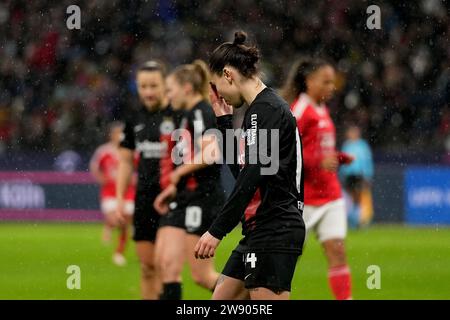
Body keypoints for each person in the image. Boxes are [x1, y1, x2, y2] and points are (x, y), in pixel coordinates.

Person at [194, 31, 305, 300]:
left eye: (217, 85)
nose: (218, 94)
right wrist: (223, 121)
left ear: (228, 75)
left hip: (275, 229)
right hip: (259, 229)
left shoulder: (266, 110)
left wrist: (216, 231)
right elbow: (243, 173)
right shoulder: (259, 111)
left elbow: (248, 179)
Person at [282, 57, 354, 300]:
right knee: (287, 256)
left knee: (337, 252)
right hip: (304, 198)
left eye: (333, 82)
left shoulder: (322, 107)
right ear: (309, 81)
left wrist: (336, 157)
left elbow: (317, 149)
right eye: (326, 82)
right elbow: (285, 150)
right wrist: (316, 161)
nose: (331, 87)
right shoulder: (299, 109)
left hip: (330, 194)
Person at [153, 60, 224, 300]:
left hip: (202, 199)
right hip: (186, 197)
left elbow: (212, 153)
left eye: (170, 90)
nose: (167, 95)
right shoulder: (187, 115)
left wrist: (180, 172)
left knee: (202, 276)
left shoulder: (202, 112)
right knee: (166, 263)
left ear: (186, 88)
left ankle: (258, 297)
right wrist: (174, 185)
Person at [116, 60, 178, 299]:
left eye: (154, 85)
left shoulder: (176, 115)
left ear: (165, 86)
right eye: (143, 86)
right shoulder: (134, 118)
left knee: (166, 267)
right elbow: (125, 161)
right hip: (144, 199)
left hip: (171, 200)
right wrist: (121, 198)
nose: (148, 92)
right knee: (147, 267)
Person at [89, 121, 135, 266]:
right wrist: (101, 178)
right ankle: (109, 226)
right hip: (109, 192)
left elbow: (138, 166)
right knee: (116, 219)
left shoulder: (130, 150)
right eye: (117, 133)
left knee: (124, 222)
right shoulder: (104, 151)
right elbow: (94, 167)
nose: (120, 136)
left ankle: (119, 252)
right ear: (112, 135)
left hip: (127, 191)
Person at [340, 125, 374, 228]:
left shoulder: (362, 145)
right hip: (348, 175)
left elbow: (367, 161)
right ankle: (352, 220)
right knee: (349, 198)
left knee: (358, 197)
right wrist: (342, 174)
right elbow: (342, 160)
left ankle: (359, 220)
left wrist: (368, 175)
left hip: (359, 175)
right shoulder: (347, 145)